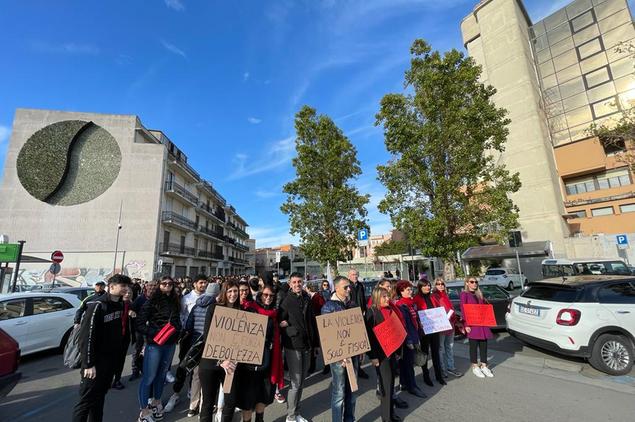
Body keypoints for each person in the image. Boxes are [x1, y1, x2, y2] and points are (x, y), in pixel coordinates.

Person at [71, 274, 133, 422]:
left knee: (99, 399)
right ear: (111, 287)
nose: (126, 289)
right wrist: (89, 364)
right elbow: (87, 337)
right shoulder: (97, 305)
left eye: (127, 286)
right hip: (95, 363)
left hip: (109, 362)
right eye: (123, 286)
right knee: (85, 402)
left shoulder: (120, 305)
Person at [137, 276, 182, 422]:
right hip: (155, 345)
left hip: (170, 344)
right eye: (164, 283)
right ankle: (144, 411)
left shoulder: (175, 301)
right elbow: (140, 323)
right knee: (149, 377)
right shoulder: (151, 302)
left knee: (162, 376)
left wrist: (177, 331)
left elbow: (176, 320)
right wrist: (155, 332)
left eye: (170, 283)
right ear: (159, 285)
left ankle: (156, 403)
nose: (167, 286)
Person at [164, 275, 209, 413]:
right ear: (195, 284)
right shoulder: (186, 299)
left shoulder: (210, 298)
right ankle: (176, 393)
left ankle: (192, 390)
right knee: (183, 365)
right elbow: (182, 315)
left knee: (197, 368)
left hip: (203, 338)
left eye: (205, 283)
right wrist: (183, 331)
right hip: (188, 337)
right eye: (201, 283)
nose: (203, 285)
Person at [237, 285, 281, 422]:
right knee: (248, 398)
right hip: (249, 363)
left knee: (264, 394)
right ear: (260, 295)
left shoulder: (275, 313)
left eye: (271, 296)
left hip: (268, 360)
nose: (268, 298)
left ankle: (260, 419)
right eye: (265, 295)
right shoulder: (251, 309)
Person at [279, 272, 319, 422]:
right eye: (294, 282)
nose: (297, 284)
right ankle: (290, 416)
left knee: (301, 381)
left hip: (306, 345)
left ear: (303, 283)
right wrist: (291, 330)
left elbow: (312, 322)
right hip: (293, 345)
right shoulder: (286, 301)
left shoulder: (307, 298)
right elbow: (280, 322)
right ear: (290, 284)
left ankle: (296, 412)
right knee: (295, 383)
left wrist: (316, 344)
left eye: (299, 282)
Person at [199, 281, 240, 422]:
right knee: (208, 402)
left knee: (231, 400)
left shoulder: (240, 311)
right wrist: (222, 360)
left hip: (231, 364)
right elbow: (207, 336)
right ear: (224, 293)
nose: (233, 294)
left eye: (235, 291)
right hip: (210, 363)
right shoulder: (213, 308)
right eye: (229, 291)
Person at [321, 276, 359, 422]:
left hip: (353, 354)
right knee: (339, 392)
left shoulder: (352, 304)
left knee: (353, 391)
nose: (349, 289)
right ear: (336, 288)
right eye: (345, 287)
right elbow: (329, 337)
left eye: (349, 287)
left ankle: (350, 419)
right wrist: (340, 356)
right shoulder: (328, 308)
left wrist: (360, 349)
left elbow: (357, 330)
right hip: (339, 359)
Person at [366, 287, 403, 422]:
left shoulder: (390, 310)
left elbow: (396, 331)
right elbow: (369, 337)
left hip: (392, 353)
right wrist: (373, 356)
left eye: (388, 296)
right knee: (385, 387)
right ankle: (386, 418)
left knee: (391, 383)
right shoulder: (372, 313)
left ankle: (390, 413)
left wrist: (398, 351)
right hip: (381, 356)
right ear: (377, 298)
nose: (388, 299)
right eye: (384, 297)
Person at [394, 281, 426, 398]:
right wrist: (409, 341)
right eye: (407, 290)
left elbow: (414, 321)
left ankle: (404, 383)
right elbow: (404, 325)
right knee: (408, 364)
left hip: (414, 336)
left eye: (410, 289)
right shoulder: (401, 305)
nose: (410, 291)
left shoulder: (411, 304)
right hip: (408, 339)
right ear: (401, 291)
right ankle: (412, 386)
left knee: (405, 363)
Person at [413, 279, 445, 386]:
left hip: (434, 329)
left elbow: (437, 310)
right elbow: (415, 314)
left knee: (435, 352)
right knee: (425, 353)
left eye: (429, 285)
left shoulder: (432, 297)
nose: (428, 287)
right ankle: (426, 375)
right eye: (425, 286)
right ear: (420, 287)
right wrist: (419, 322)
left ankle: (438, 375)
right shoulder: (416, 299)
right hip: (424, 331)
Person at [460, 277, 494, 378]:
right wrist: (466, 325)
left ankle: (484, 365)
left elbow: (484, 308)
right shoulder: (464, 294)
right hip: (472, 324)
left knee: (484, 345)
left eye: (476, 282)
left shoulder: (479, 294)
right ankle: (475, 366)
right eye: (472, 282)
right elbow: (463, 309)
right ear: (467, 283)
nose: (474, 283)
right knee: (473, 346)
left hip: (482, 323)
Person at [432, 278, 462, 378]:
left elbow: (451, 309)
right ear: (435, 285)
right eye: (438, 284)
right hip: (441, 326)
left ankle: (451, 367)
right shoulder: (434, 297)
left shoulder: (445, 296)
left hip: (450, 325)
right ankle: (442, 369)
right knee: (440, 348)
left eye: (442, 284)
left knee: (449, 347)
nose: (440, 286)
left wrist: (455, 321)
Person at [129, 280, 157, 381]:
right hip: (140, 330)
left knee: (151, 350)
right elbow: (131, 310)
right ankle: (135, 370)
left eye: (154, 286)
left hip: (153, 330)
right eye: (150, 286)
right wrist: (133, 314)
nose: (152, 288)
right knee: (137, 350)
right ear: (146, 286)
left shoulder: (158, 299)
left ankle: (147, 370)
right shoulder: (140, 299)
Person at [112, 286, 135, 390]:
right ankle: (108, 379)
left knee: (120, 359)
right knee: (110, 359)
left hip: (124, 337)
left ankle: (117, 380)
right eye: (125, 292)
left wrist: (133, 314)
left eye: (129, 293)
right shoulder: (114, 305)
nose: (127, 294)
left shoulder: (130, 304)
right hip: (113, 337)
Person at [346, 268, 368, 379]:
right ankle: (351, 370)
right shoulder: (346, 286)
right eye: (353, 274)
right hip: (350, 318)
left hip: (361, 316)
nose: (355, 276)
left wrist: (364, 310)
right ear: (348, 275)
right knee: (351, 345)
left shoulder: (360, 285)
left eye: (356, 274)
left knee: (360, 345)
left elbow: (362, 299)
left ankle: (359, 368)